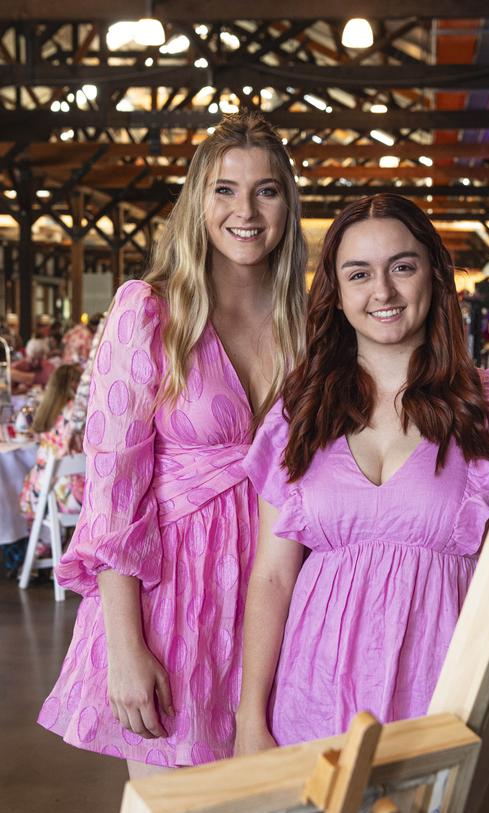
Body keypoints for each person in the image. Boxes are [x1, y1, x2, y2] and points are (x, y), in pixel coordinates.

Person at [235, 194, 489, 754]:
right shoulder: (299, 417)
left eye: (402, 267)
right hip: (310, 701)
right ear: (336, 295)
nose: (381, 292)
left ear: (434, 276)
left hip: (447, 702)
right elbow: (272, 578)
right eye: (358, 274)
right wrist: (249, 719)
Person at [37, 112, 307, 776]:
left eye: (266, 190)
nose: (245, 209)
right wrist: (126, 646)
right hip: (176, 597)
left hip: (283, 592)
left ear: (287, 206)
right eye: (225, 190)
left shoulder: (310, 324)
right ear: (198, 203)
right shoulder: (150, 311)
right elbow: (111, 490)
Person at [19, 364, 85, 524]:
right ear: (75, 384)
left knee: (32, 478)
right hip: (86, 497)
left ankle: (44, 544)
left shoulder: (47, 412)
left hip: (45, 495)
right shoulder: (79, 413)